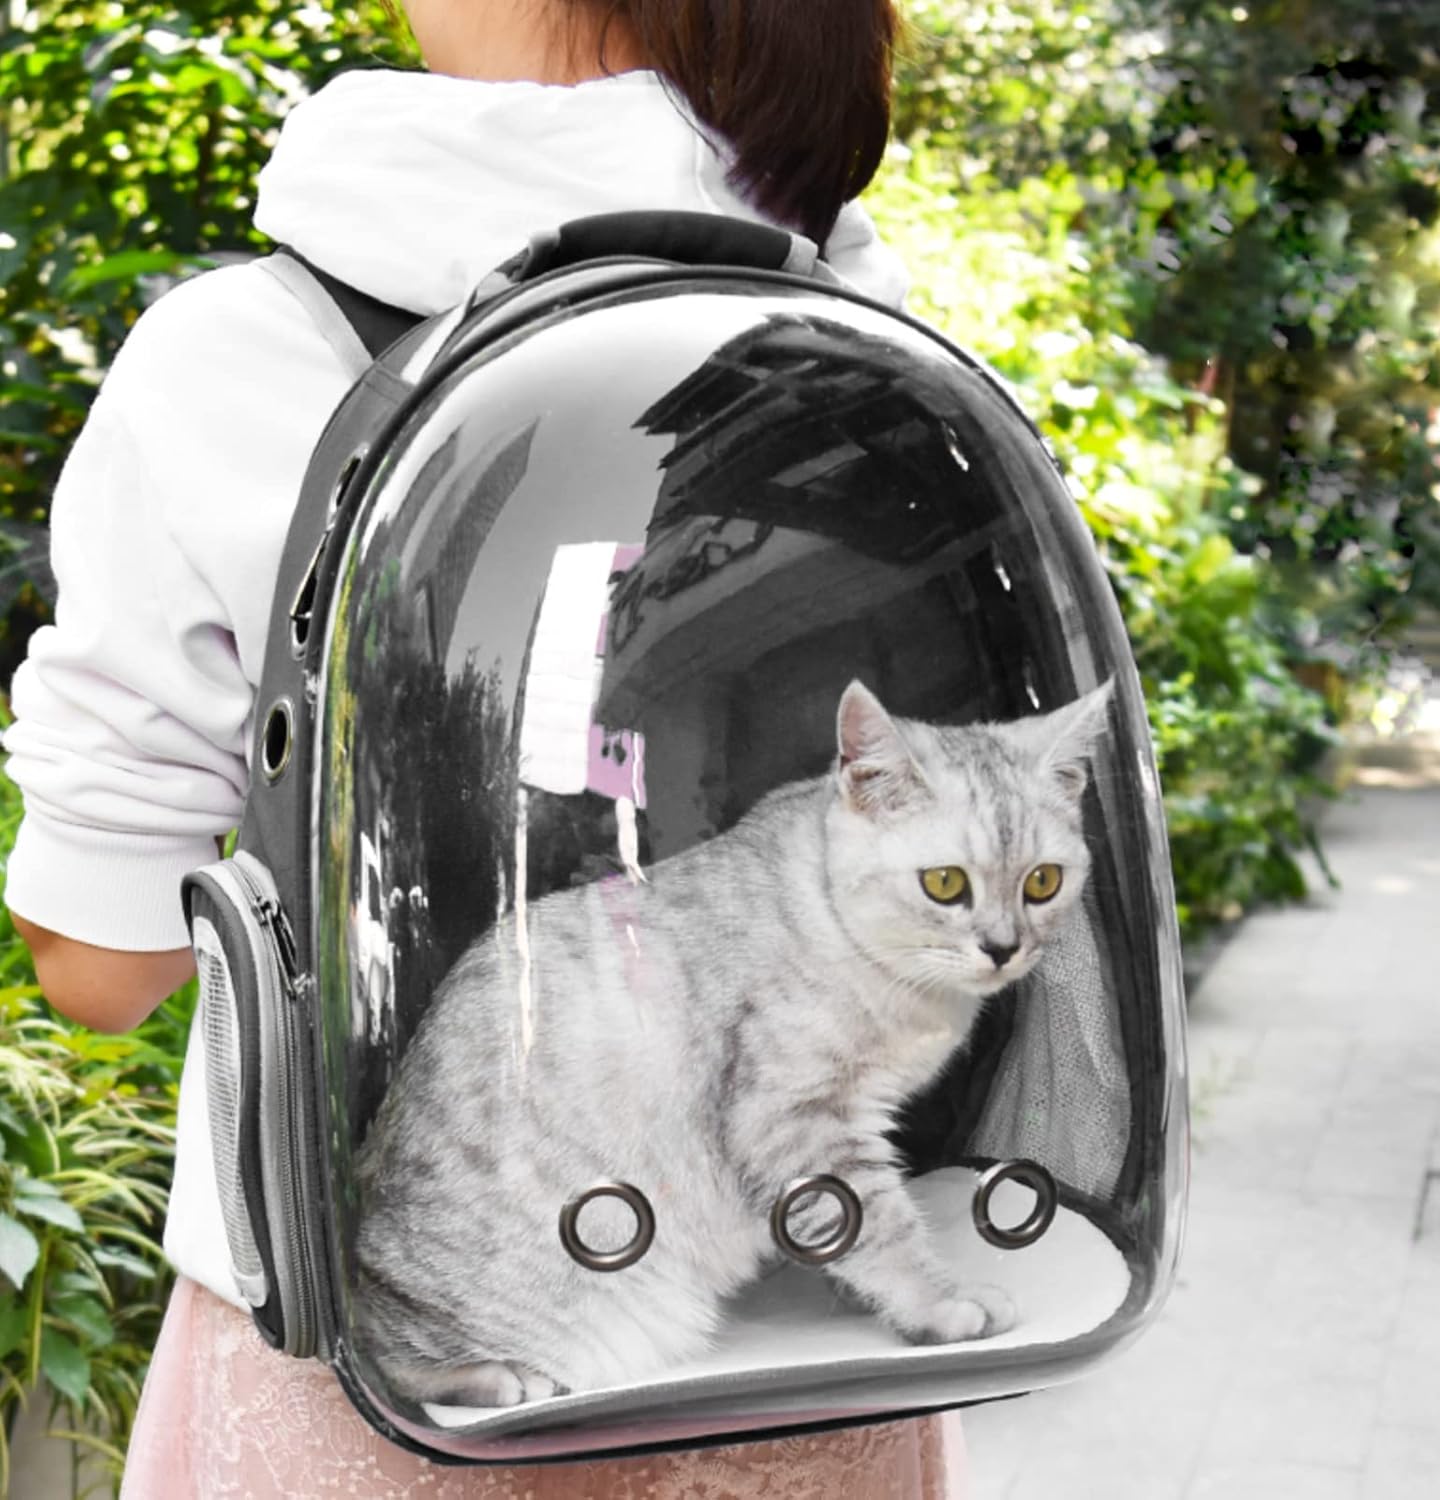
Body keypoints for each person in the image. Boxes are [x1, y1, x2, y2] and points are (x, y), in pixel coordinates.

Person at [4, 1, 969, 1494]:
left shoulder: (244, 352)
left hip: (388, 1365)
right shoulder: (887, 348)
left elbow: (105, 967)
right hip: (805, 1340)